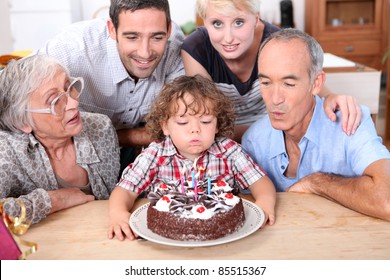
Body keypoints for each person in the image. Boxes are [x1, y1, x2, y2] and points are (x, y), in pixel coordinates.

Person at [242, 28, 390, 221]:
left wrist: (317, 182)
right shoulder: (254, 141)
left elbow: (387, 200)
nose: (275, 99)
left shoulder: (350, 121)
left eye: (288, 84)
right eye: (266, 82)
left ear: (316, 83)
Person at [108, 74, 276, 240]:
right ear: (165, 126)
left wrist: (265, 201)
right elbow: (125, 191)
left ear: (217, 124)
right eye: (183, 123)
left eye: (206, 122)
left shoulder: (229, 151)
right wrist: (118, 212)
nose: (195, 130)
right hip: (163, 241)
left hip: (223, 238)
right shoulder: (155, 154)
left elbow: (260, 183)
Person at [181, 0, 361, 142]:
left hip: (274, 134)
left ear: (256, 18)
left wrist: (332, 97)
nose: (228, 38)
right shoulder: (195, 49)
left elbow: (316, 90)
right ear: (204, 21)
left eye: (239, 22)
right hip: (229, 138)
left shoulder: (277, 42)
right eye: (217, 23)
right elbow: (208, 122)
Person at [35, 0, 185, 170]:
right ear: (112, 29)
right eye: (132, 37)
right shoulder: (70, 49)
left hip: (137, 153)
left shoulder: (177, 48)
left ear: (169, 30)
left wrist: (122, 138)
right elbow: (12, 94)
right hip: (74, 151)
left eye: (157, 37)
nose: (145, 52)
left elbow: (182, 125)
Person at [0, 55, 120, 224]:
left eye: (69, 86)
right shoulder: (5, 150)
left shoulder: (100, 128)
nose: (74, 103)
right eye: (55, 101)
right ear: (22, 122)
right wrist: (52, 201)